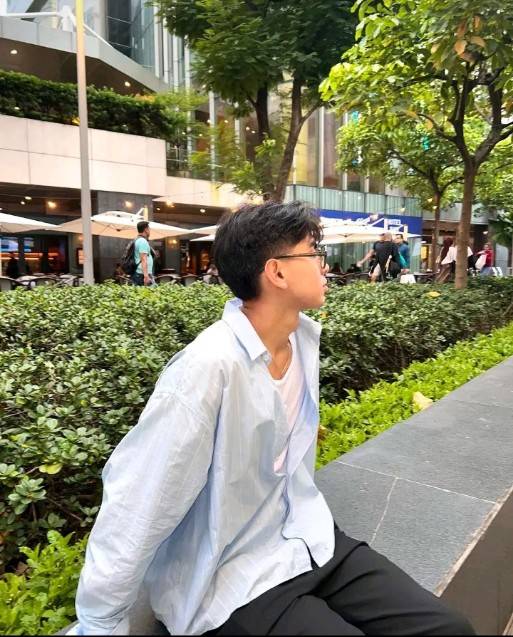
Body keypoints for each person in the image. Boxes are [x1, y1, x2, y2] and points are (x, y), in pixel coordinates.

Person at [74, 202, 474, 637]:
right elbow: (140, 499)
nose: (324, 265)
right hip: (232, 578)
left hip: (310, 537)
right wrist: (100, 621)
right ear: (277, 272)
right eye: (314, 252)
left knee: (449, 629)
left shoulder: (301, 339)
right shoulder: (207, 368)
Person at [132, 220, 155, 286]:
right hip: (142, 274)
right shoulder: (142, 241)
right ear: (146, 230)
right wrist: (146, 276)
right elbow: (143, 259)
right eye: (149, 229)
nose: (150, 231)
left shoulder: (138, 240)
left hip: (141, 273)